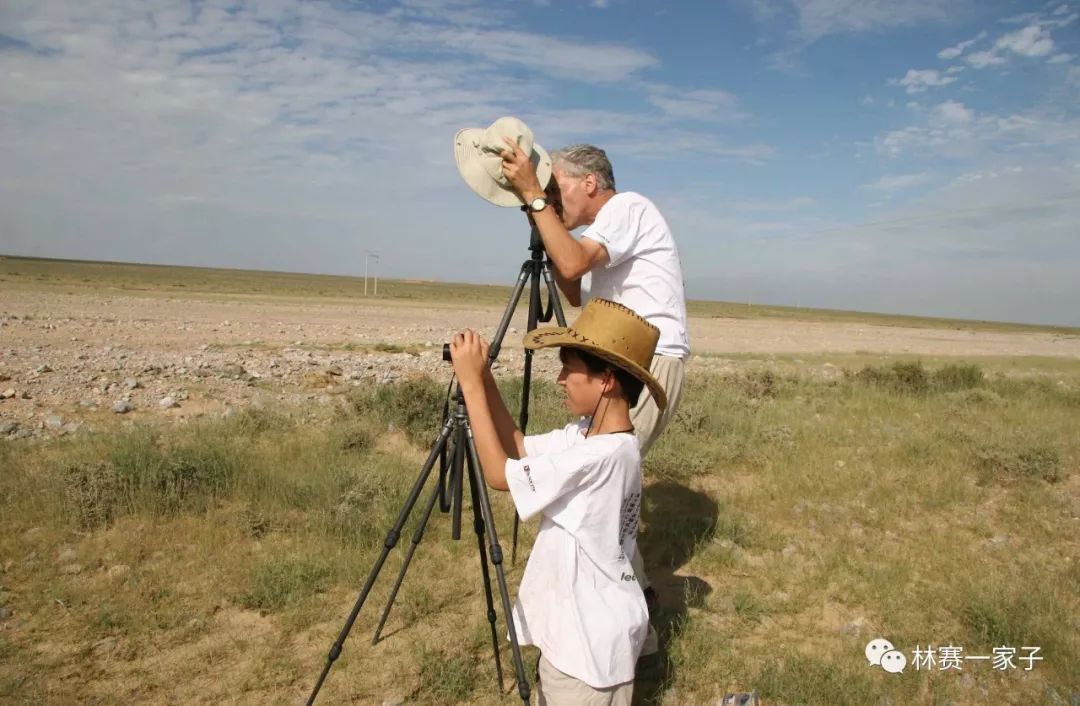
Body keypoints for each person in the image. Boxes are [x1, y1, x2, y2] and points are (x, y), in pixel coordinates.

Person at [501, 139, 688, 646]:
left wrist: (534, 199)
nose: (554, 198)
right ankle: (632, 611)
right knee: (606, 483)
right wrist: (545, 218)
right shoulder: (607, 231)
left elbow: (575, 262)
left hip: (644, 362)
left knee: (599, 481)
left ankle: (625, 614)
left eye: (559, 187)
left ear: (591, 183)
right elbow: (571, 278)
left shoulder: (627, 207)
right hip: (627, 360)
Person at [448, 298, 667, 705]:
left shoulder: (598, 457)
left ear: (606, 380)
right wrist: (486, 379)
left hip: (588, 653)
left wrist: (471, 385)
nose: (561, 379)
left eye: (570, 368)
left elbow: (499, 475)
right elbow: (517, 447)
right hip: (577, 631)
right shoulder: (591, 438)